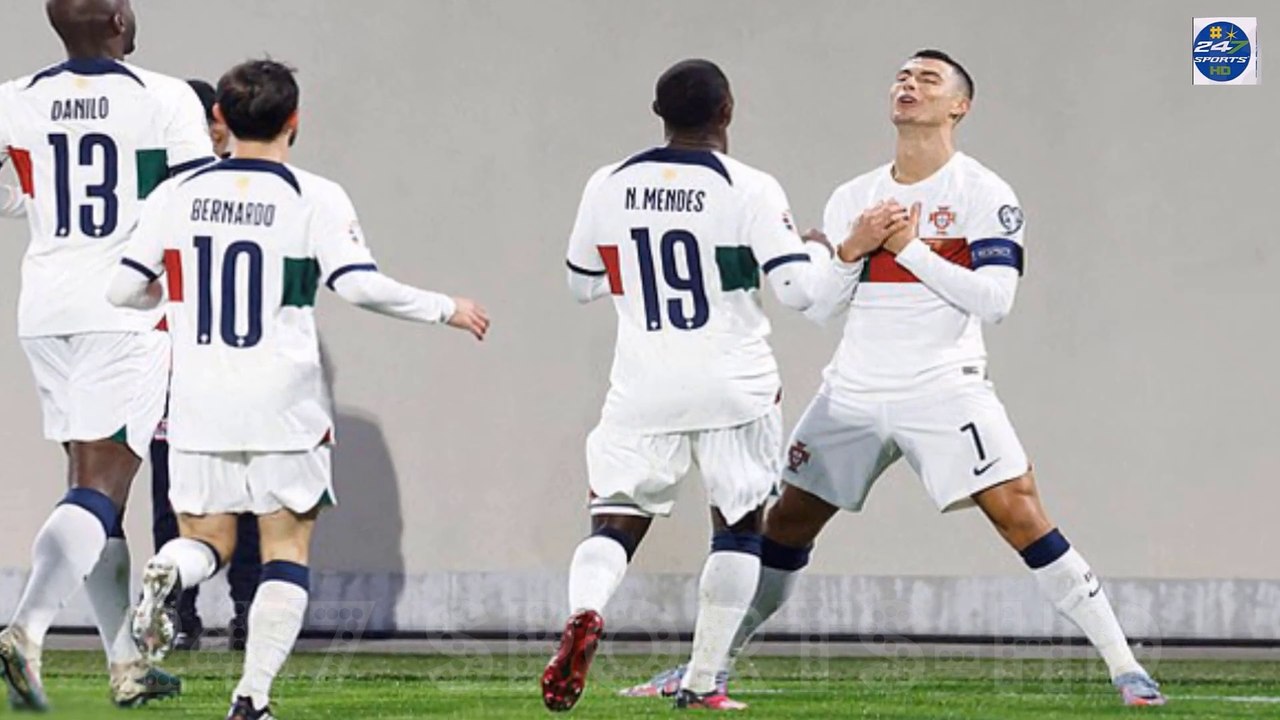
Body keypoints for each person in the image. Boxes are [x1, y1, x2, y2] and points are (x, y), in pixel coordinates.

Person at [623, 50, 1167, 708]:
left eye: (927, 79)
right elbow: (820, 306)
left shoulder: (984, 193)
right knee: (783, 527)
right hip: (850, 391)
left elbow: (995, 301)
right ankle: (708, 669)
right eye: (903, 76)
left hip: (944, 388)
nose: (908, 85)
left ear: (958, 106)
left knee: (1020, 513)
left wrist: (905, 248)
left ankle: (1126, 668)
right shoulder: (856, 196)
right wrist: (851, 248)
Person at [110, 58, 490, 720]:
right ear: (295, 122)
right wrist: (445, 307)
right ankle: (252, 697)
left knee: (207, 541)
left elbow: (122, 290)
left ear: (219, 123)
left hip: (198, 402)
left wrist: (166, 293)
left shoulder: (173, 197)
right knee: (286, 549)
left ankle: (171, 571)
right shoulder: (314, 197)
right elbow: (359, 285)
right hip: (283, 403)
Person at [542, 59, 836, 712]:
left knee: (613, 519)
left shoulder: (608, 183)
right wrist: (819, 248)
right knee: (737, 526)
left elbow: (581, 283)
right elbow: (798, 291)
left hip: (644, 382)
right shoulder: (750, 187)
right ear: (727, 110)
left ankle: (586, 611)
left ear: (659, 113)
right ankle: (703, 681)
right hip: (733, 383)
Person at [0, 0, 214, 709]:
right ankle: (24, 628)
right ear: (119, 20)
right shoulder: (164, 97)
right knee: (100, 484)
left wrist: (33, 201)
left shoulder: (14, 99)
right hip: (122, 310)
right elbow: (193, 204)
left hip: (45, 309)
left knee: (93, 487)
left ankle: (124, 662)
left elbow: (16, 192)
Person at [149, 78, 261, 652]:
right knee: (173, 492)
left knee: (244, 493)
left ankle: (246, 608)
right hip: (176, 359)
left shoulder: (250, 183)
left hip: (227, 360)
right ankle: (175, 612)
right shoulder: (162, 189)